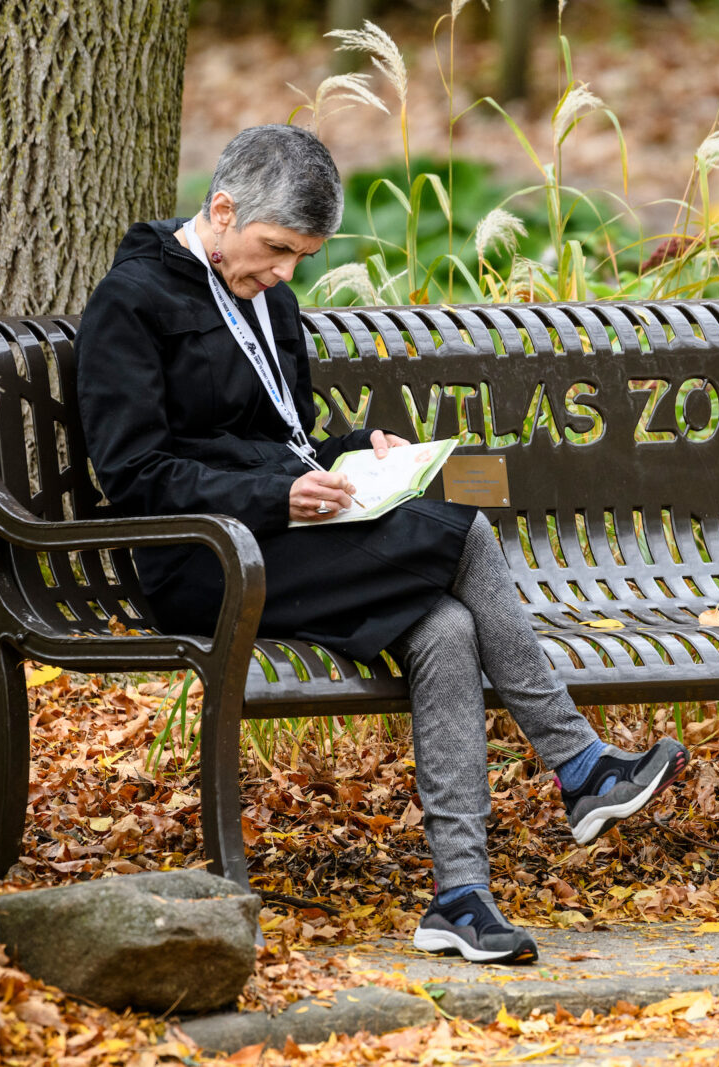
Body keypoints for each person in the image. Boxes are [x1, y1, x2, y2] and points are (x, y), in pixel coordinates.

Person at [74, 124, 687, 965]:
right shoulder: (133, 302)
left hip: (286, 539)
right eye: (276, 249)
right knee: (464, 527)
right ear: (221, 209)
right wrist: (276, 493)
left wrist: (358, 452)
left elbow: (280, 437)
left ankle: (461, 897)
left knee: (447, 629)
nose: (285, 274)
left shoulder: (267, 301)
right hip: (204, 559)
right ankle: (578, 762)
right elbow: (135, 473)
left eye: (299, 257)